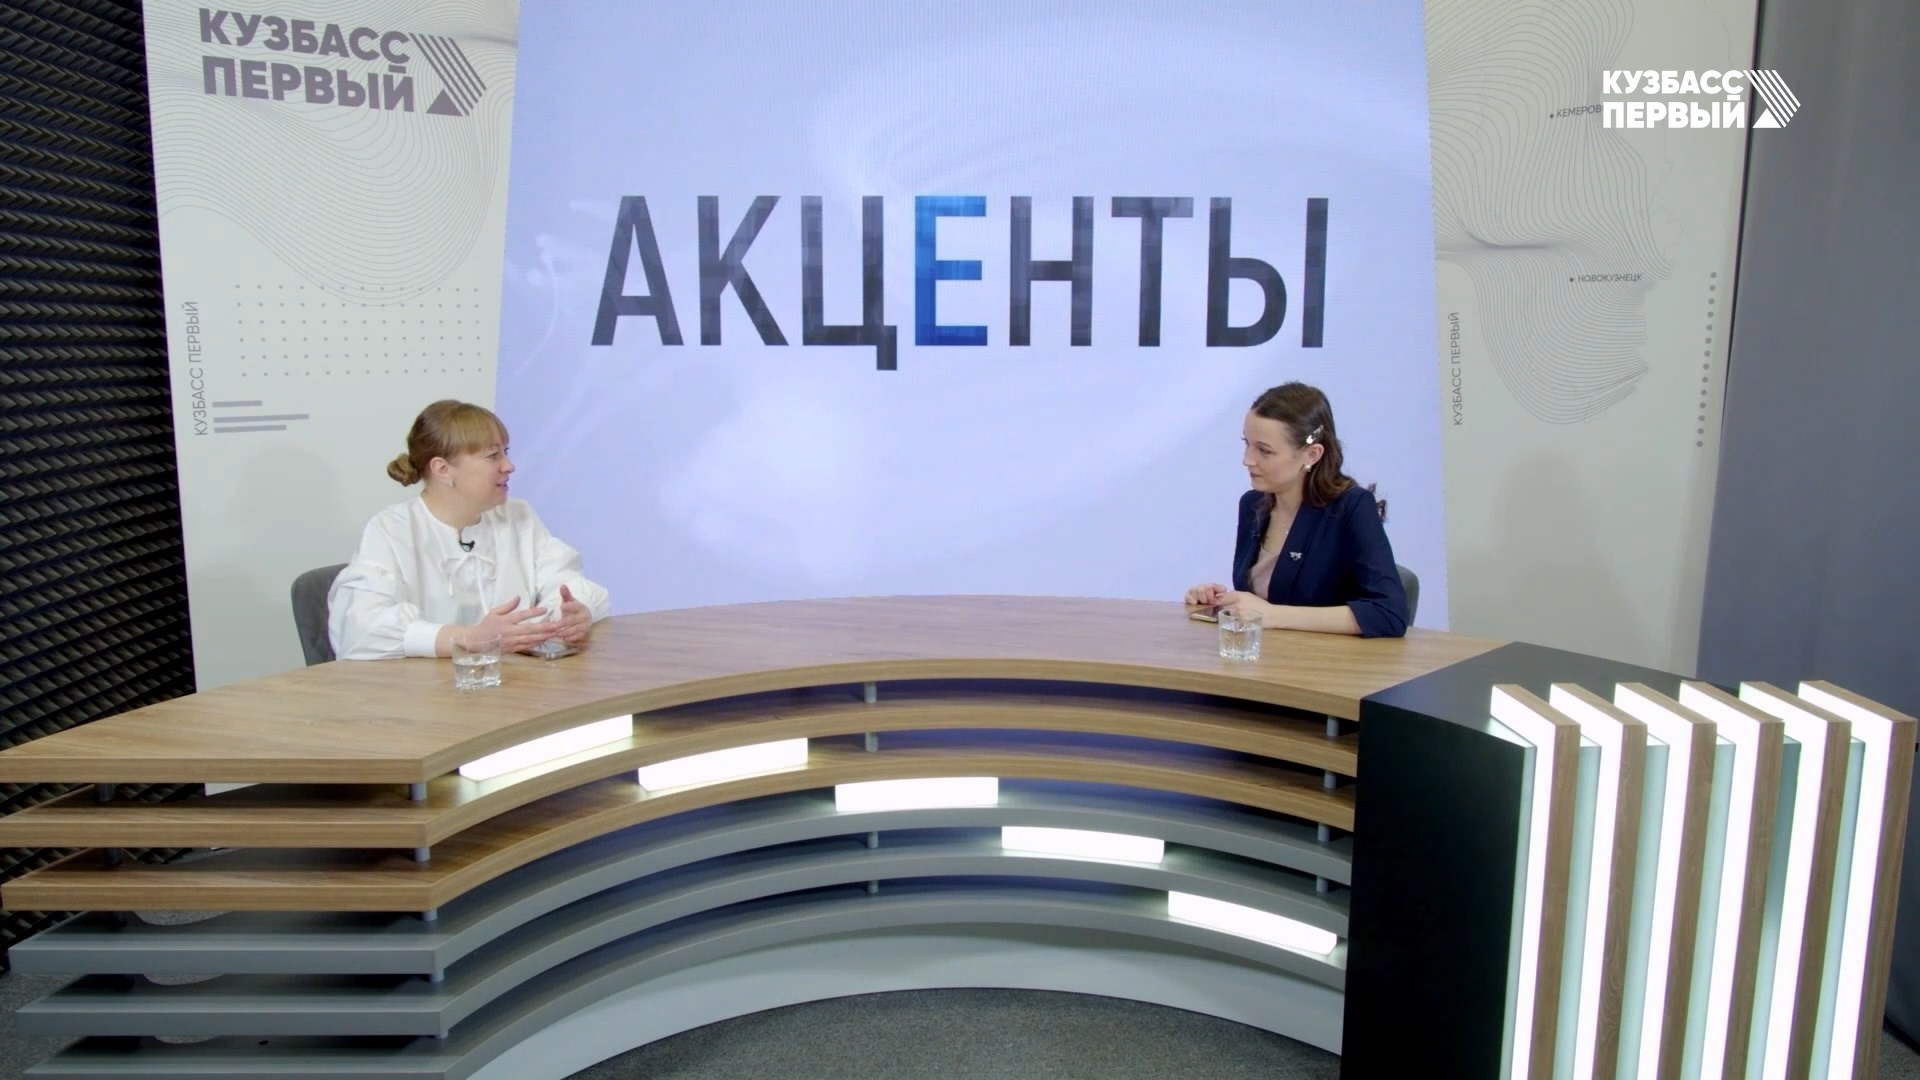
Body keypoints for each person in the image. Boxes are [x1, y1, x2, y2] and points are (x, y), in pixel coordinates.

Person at [327, 400, 612, 660]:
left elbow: (565, 580)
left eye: (505, 452)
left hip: (512, 686)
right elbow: (361, 630)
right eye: (492, 456)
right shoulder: (392, 529)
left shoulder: (517, 516)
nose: (509, 466)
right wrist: (468, 639)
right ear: (442, 469)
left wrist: (573, 613)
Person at [1184, 383, 1410, 638]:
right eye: (1247, 443)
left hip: (1325, 660)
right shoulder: (1252, 505)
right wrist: (1221, 600)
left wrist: (1272, 615)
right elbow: (1266, 598)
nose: (1247, 459)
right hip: (1269, 654)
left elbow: (1388, 614)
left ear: (1312, 454)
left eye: (1264, 451)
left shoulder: (1352, 507)